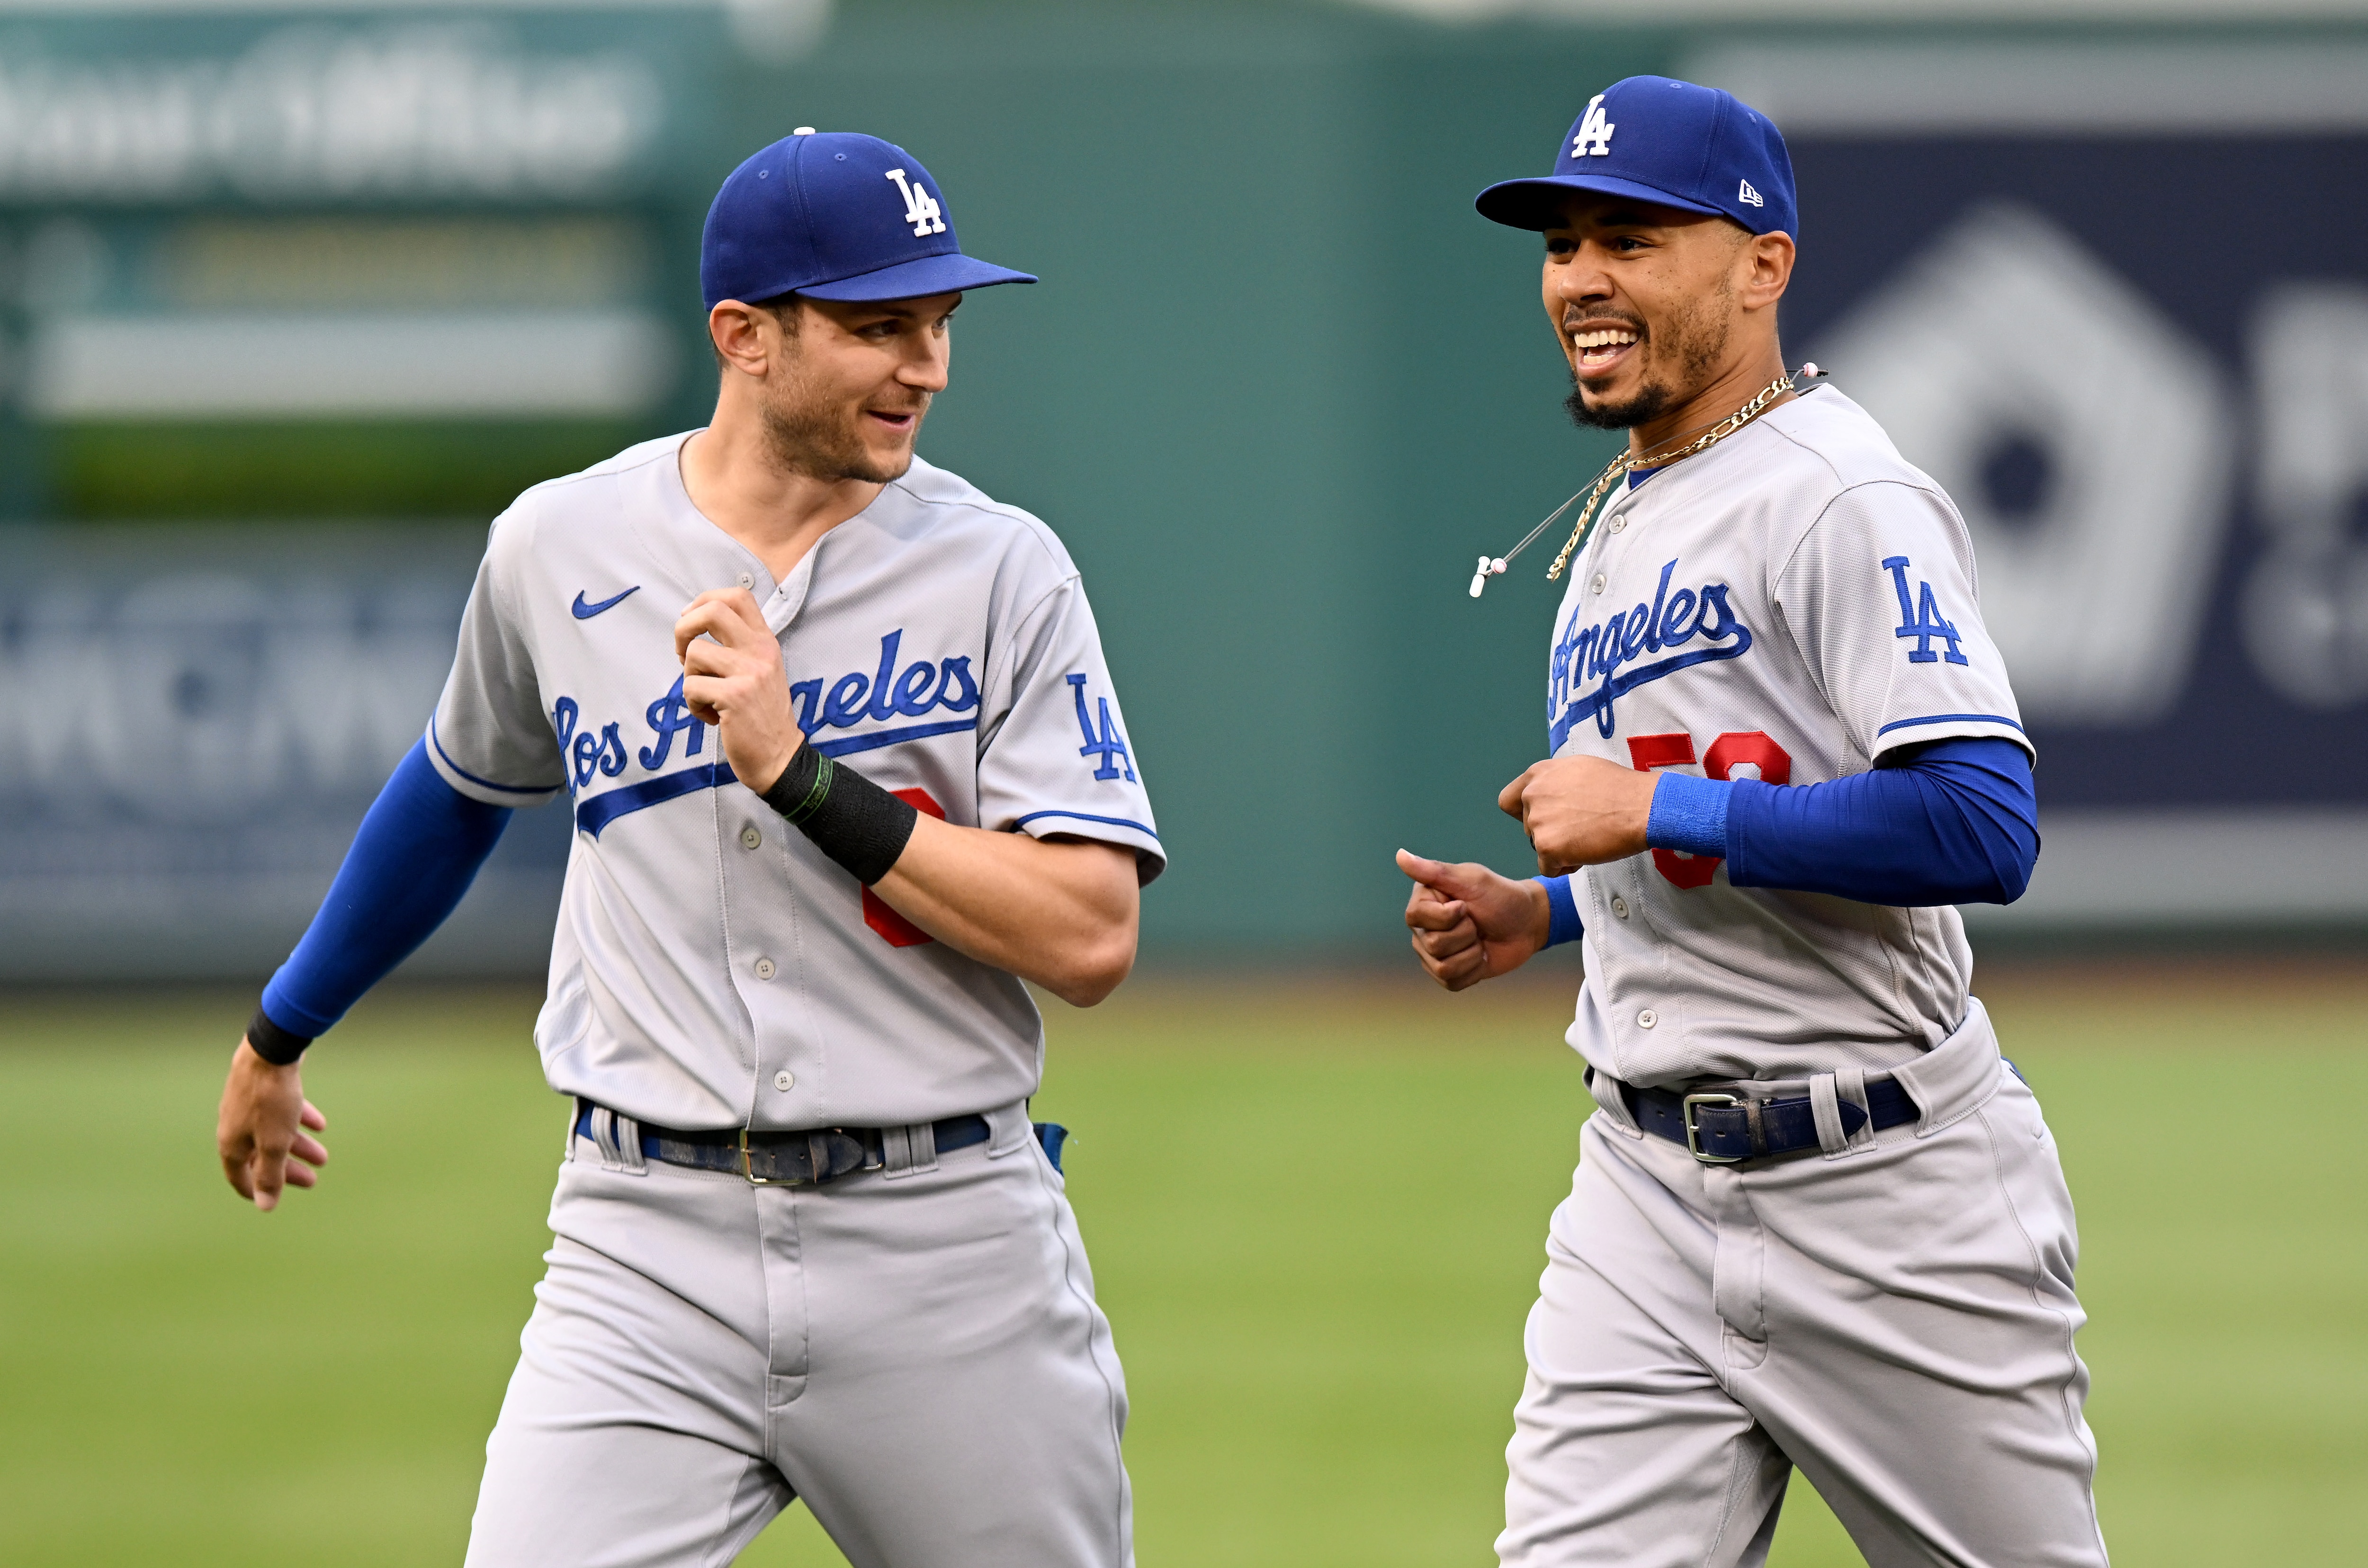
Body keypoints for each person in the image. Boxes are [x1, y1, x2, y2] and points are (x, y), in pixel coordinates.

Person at [214, 129, 1159, 1568]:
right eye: (878, 326)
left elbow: (1090, 936)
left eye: (941, 321)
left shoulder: (1003, 569)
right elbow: (460, 786)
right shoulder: (558, 547)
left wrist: (802, 775)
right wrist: (281, 1029)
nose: (929, 366)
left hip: (946, 1243)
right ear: (746, 337)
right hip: (642, 1244)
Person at [1397, 77, 2107, 1568]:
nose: (1582, 277)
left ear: (1761, 264)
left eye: (1634, 239)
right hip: (1643, 1190)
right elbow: (1725, 833)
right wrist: (1553, 914)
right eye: (1564, 241)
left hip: (1889, 1186)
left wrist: (1654, 801)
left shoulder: (1839, 493)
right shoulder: (1627, 513)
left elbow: (1983, 824)